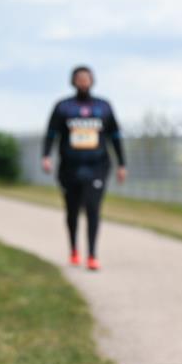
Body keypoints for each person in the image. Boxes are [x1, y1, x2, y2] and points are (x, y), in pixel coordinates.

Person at [42, 65, 127, 271]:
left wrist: (122, 163)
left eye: (86, 78)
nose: (83, 81)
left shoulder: (103, 106)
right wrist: (46, 156)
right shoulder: (63, 107)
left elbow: (115, 136)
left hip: (97, 166)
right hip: (70, 167)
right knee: (72, 210)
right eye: (79, 78)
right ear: (73, 81)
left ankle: (92, 255)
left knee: (93, 208)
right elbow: (51, 134)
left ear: (92, 80)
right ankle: (74, 250)